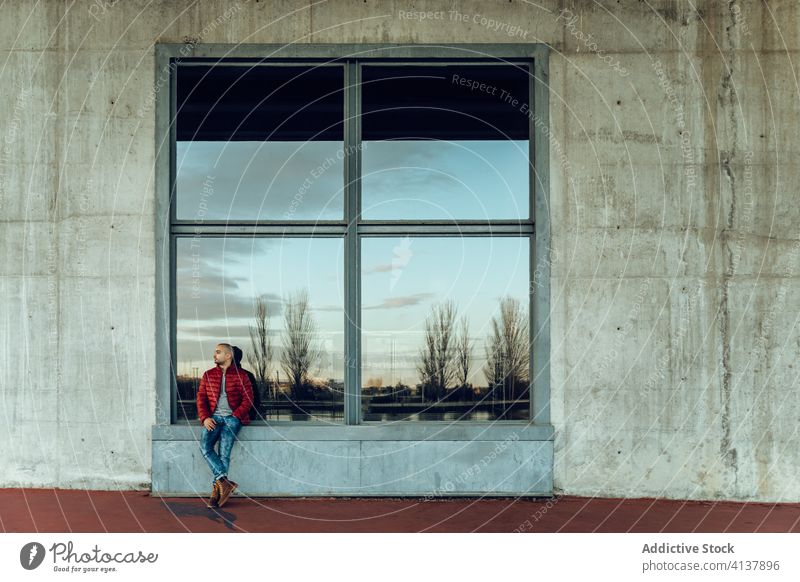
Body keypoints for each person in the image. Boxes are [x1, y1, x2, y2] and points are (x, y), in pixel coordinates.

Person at [196, 342, 254, 508]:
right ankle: (223, 481)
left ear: (228, 355)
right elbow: (201, 399)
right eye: (215, 352)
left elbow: (248, 399)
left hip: (232, 419)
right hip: (213, 418)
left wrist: (235, 416)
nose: (214, 355)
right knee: (205, 447)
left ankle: (217, 491)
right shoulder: (208, 375)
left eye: (218, 352)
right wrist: (205, 418)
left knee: (224, 454)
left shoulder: (242, 375)